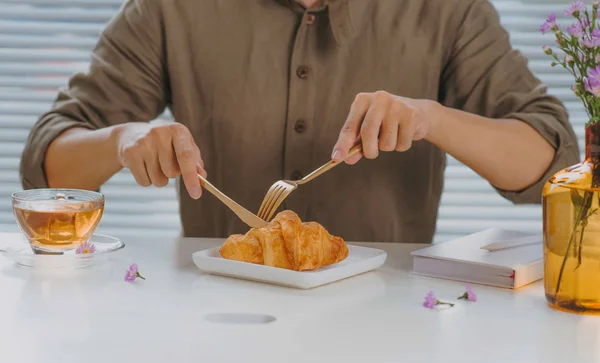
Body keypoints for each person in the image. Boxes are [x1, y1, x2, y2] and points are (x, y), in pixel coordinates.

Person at [20, 0, 579, 243]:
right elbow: (47, 170)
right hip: (219, 323)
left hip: (391, 330)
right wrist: (123, 139)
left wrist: (430, 118)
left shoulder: (447, 12)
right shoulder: (171, 10)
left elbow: (549, 158)